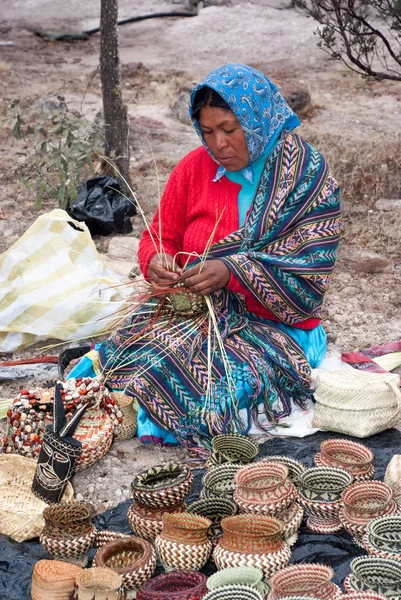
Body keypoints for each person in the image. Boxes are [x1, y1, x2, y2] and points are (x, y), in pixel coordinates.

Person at [70, 63, 340, 452]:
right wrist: (155, 261)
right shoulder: (194, 169)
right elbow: (159, 235)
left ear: (258, 119)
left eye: (230, 130)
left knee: (217, 389)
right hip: (195, 312)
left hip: (276, 324)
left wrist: (233, 271)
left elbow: (309, 265)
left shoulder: (304, 175)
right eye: (208, 132)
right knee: (127, 356)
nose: (218, 145)